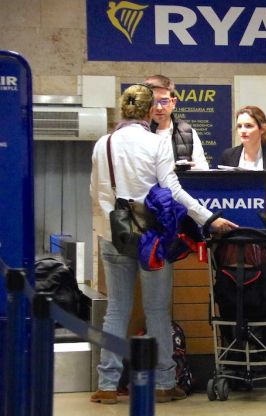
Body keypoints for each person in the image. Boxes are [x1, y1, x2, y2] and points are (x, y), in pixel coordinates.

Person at [89, 84, 237, 405]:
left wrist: (107, 227)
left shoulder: (103, 144)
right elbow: (173, 191)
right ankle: (164, 382)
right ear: (146, 112)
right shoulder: (157, 143)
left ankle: (107, 384)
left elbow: (96, 192)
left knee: (116, 310)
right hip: (151, 238)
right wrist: (208, 218)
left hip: (113, 234)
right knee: (157, 311)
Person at [144, 75, 210, 170]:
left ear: (173, 102)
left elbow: (203, 169)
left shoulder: (188, 133)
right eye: (153, 102)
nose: (159, 107)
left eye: (164, 101)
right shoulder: (139, 132)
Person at [219, 105, 266, 170]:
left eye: (248, 126)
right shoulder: (228, 155)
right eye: (239, 126)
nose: (243, 130)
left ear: (262, 129)